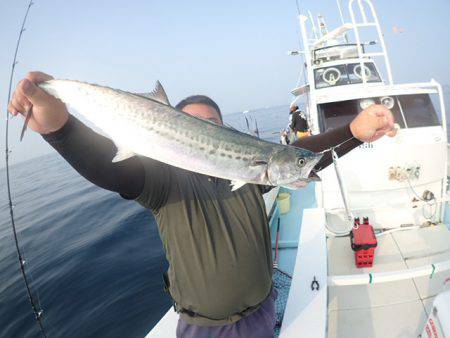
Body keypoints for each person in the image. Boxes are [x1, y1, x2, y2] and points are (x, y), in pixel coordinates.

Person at [8, 72, 396, 338]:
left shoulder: (245, 179)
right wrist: (60, 129)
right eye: (191, 122)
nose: (204, 129)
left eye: (212, 123)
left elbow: (292, 157)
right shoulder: (161, 183)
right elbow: (108, 171)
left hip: (262, 313)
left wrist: (353, 133)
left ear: (225, 131)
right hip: (205, 330)